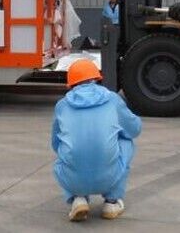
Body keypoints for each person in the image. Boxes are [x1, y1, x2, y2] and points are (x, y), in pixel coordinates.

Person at [51, 59, 142, 222]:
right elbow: (134, 129)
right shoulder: (113, 100)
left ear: (71, 85)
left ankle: (78, 198)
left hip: (73, 180)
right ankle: (111, 202)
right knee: (125, 140)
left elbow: (55, 143)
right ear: (96, 79)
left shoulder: (62, 106)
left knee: (64, 152)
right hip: (110, 177)